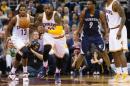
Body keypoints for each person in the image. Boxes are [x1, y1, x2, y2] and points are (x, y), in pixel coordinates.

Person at [75, 0, 111, 77]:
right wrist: (77, 32)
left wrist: (106, 33)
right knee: (82, 53)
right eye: (86, 4)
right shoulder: (84, 12)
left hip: (97, 36)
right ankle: (76, 70)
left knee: (103, 52)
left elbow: (104, 23)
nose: (87, 5)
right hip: (86, 36)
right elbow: (81, 23)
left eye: (89, 4)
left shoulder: (100, 13)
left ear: (94, 5)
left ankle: (110, 69)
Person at [35, 3, 68, 84]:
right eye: (45, 8)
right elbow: (36, 24)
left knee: (59, 58)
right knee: (46, 48)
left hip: (59, 37)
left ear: (52, 9)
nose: (47, 10)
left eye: (48, 8)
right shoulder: (41, 16)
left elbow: (59, 30)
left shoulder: (56, 15)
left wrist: (46, 30)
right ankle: (45, 67)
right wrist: (37, 27)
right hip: (48, 36)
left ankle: (57, 73)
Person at [5, 4, 33, 80]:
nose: (22, 11)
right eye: (21, 10)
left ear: (26, 10)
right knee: (25, 51)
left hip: (25, 39)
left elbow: (31, 31)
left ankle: (12, 73)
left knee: (19, 56)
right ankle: (25, 73)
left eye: (24, 10)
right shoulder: (15, 18)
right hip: (16, 38)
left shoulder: (30, 18)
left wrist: (30, 40)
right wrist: (8, 38)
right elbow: (7, 29)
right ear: (19, 11)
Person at [104, 0, 129, 82]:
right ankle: (118, 73)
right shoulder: (106, 4)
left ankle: (125, 74)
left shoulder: (115, 3)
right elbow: (109, 19)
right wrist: (108, 32)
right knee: (114, 53)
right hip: (112, 30)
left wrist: (119, 31)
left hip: (118, 29)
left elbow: (123, 17)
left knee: (120, 52)